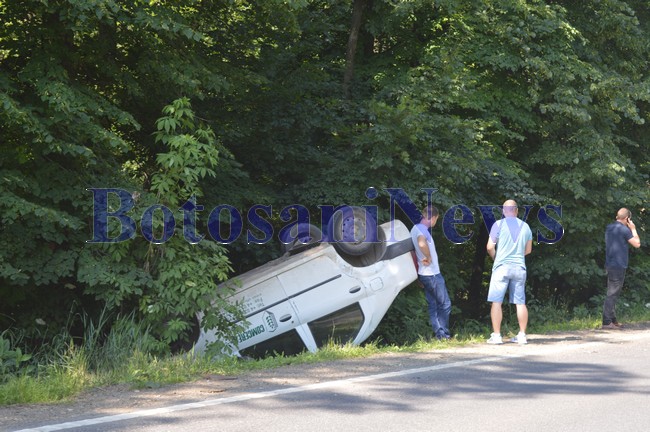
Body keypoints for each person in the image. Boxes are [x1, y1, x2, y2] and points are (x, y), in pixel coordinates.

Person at [485, 200, 533, 345]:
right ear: (516, 211)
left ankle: (497, 336)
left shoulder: (498, 225)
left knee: (497, 301)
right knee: (520, 302)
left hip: (501, 267)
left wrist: (497, 258)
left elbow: (489, 247)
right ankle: (522, 335)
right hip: (519, 267)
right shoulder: (525, 226)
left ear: (504, 211)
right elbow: (528, 250)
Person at [410, 205, 452, 340]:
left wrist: (418, 275)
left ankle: (440, 335)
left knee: (433, 305)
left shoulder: (414, 229)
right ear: (433, 217)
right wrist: (428, 257)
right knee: (445, 304)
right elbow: (421, 244)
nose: (435, 222)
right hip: (432, 274)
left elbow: (413, 253)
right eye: (436, 219)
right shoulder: (422, 230)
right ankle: (443, 334)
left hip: (424, 274)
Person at [602, 208, 641, 329]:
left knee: (613, 292)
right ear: (627, 219)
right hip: (618, 265)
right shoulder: (624, 229)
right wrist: (633, 229)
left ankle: (613, 320)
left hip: (610, 263)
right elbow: (637, 244)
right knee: (612, 293)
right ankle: (606, 322)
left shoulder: (609, 227)